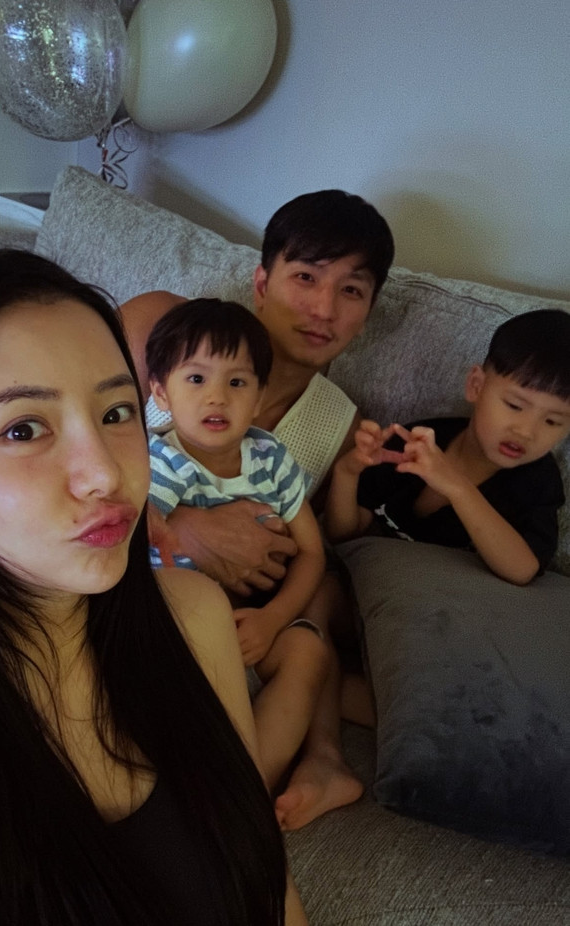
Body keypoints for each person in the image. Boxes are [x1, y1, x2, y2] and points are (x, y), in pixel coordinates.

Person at [0, 250, 307, 926]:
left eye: (116, 412)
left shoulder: (194, 616)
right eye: (24, 428)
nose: (106, 473)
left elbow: (271, 890)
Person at [120, 189, 395, 829]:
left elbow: (313, 550)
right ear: (262, 282)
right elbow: (56, 432)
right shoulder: (158, 327)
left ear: (368, 310)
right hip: (133, 576)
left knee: (321, 595)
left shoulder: (336, 421)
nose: (324, 309)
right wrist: (181, 525)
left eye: (351, 291)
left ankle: (312, 763)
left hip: (238, 617)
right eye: (306, 277)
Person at [145, 297, 329, 792]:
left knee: (307, 651)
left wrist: (274, 620)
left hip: (248, 626)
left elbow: (312, 552)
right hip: (173, 626)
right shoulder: (160, 460)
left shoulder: (270, 457)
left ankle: (249, 791)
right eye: (196, 378)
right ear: (160, 393)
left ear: (260, 394)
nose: (217, 397)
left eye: (238, 382)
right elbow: (130, 524)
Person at [326, 309, 570, 585]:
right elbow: (344, 535)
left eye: (552, 421)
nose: (526, 432)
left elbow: (522, 570)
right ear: (476, 386)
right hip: (377, 579)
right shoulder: (417, 442)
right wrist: (347, 471)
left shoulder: (539, 481)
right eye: (514, 406)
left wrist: (456, 486)